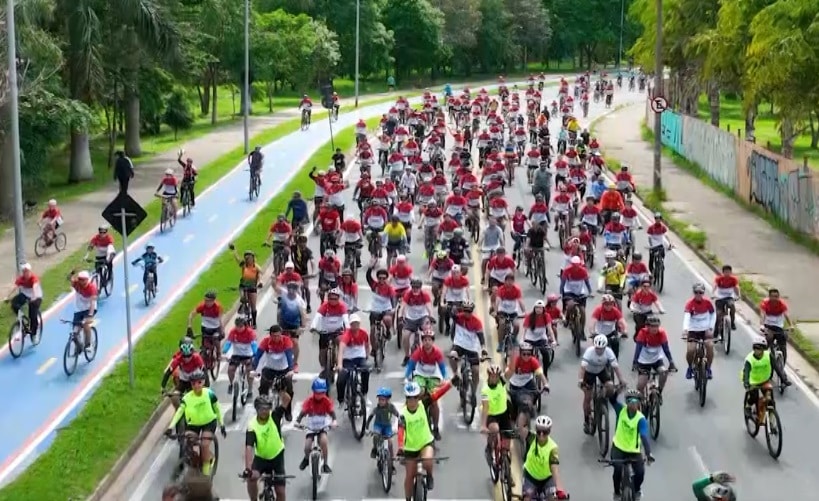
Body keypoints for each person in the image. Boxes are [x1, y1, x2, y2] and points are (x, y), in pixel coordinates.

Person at [165, 370, 226, 476]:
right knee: (188, 444)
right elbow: (179, 412)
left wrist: (222, 424)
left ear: (203, 382)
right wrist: (170, 427)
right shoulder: (187, 398)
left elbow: (217, 409)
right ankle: (199, 460)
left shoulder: (209, 394)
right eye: (193, 383)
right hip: (193, 424)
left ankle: (206, 473)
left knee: (204, 445)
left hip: (209, 423)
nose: (196, 386)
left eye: (199, 382)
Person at [397, 380, 453, 495]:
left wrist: (451, 384)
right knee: (409, 476)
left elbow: (438, 394)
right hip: (410, 448)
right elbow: (401, 432)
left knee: (427, 461)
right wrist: (401, 447)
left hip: (426, 442)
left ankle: (430, 476)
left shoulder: (424, 404)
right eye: (409, 398)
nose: (412, 401)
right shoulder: (402, 414)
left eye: (415, 397)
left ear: (419, 398)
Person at [242, 394, 291, 501]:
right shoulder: (252, 426)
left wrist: (281, 386)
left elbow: (287, 399)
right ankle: (254, 499)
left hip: (277, 457)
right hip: (261, 459)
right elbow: (249, 448)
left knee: (281, 492)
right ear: (257, 409)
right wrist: (248, 469)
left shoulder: (275, 416)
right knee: (251, 479)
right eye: (262, 408)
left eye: (267, 408)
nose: (265, 411)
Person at [608, 388, 654, 501]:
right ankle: (617, 492)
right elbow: (612, 399)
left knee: (640, 473)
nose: (632, 404)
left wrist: (648, 454)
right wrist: (617, 391)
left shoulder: (641, 419)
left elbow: (644, 436)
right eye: (629, 401)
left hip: (634, 451)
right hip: (618, 447)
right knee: (617, 469)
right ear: (626, 402)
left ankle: (637, 489)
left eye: (635, 402)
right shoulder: (621, 410)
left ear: (639, 403)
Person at [579, 334, 624, 433]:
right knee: (587, 397)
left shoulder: (609, 352)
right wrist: (581, 381)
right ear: (594, 346)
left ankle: (602, 401)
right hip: (589, 373)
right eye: (597, 348)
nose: (599, 350)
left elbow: (616, 367)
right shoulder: (589, 352)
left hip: (601, 371)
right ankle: (587, 419)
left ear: (605, 347)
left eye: (601, 349)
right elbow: (582, 368)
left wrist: (622, 380)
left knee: (610, 387)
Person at [294, 378, 337, 473]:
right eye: (317, 393)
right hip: (311, 427)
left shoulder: (326, 401)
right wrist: (298, 421)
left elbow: (331, 412)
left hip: (322, 426)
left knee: (324, 442)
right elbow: (303, 412)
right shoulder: (309, 401)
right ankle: (306, 459)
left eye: (321, 393)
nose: (319, 395)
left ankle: (325, 464)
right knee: (307, 445)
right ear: (313, 392)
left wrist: (334, 421)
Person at [521, 416, 569, 500]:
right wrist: (523, 414)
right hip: (530, 477)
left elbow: (555, 468)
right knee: (527, 499)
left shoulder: (553, 447)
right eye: (539, 431)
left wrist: (560, 489)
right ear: (536, 429)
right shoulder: (531, 437)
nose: (541, 434)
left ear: (549, 431)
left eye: (545, 432)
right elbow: (521, 430)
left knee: (552, 498)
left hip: (547, 479)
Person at [253, 325, 295, 420]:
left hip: (284, 370)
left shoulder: (286, 341)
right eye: (274, 336)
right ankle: (262, 408)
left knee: (289, 389)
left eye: (278, 335)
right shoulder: (265, 341)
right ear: (270, 335)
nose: (276, 338)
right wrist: (253, 369)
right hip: (270, 369)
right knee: (263, 386)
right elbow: (258, 356)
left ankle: (288, 411)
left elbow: (289, 356)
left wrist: (291, 370)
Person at [743, 336, 791, 416]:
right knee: (754, 397)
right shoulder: (749, 359)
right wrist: (747, 383)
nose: (756, 350)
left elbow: (777, 368)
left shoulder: (768, 355)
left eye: (759, 348)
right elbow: (746, 373)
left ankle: (772, 419)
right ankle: (748, 406)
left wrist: (784, 380)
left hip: (765, 380)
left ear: (763, 349)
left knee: (770, 400)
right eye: (754, 347)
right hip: (752, 382)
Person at [632, 316, 677, 395]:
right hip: (644, 362)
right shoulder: (642, 333)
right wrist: (635, 363)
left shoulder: (661, 333)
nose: (655, 328)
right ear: (647, 326)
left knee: (664, 372)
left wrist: (671, 362)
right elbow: (638, 349)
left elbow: (666, 349)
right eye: (652, 326)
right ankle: (642, 403)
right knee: (640, 386)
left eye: (656, 326)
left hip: (657, 360)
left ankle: (659, 391)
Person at [683, 283, 716, 380]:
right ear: (693, 293)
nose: (698, 294)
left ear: (703, 293)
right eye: (696, 292)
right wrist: (685, 330)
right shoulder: (690, 303)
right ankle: (690, 367)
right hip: (693, 330)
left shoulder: (708, 303)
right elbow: (687, 317)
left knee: (710, 347)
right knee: (691, 350)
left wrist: (710, 328)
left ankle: (709, 368)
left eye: (700, 292)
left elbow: (713, 315)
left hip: (705, 330)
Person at [335, 314, 371, 404]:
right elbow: (341, 349)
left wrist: (367, 356)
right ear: (350, 325)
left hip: (360, 358)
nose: (355, 326)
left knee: (366, 371)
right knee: (341, 379)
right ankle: (341, 401)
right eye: (353, 324)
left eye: (357, 323)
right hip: (348, 360)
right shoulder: (346, 335)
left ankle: (364, 393)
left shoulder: (364, 333)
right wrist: (339, 365)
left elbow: (367, 345)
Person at [161, 337, 206, 406]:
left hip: (195, 380)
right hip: (183, 381)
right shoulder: (178, 359)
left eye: (189, 356)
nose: (187, 359)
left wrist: (206, 385)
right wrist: (163, 387)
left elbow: (204, 371)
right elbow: (168, 372)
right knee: (174, 398)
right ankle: (180, 412)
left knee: (199, 397)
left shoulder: (197, 357)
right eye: (184, 357)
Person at [222, 316, 257, 399]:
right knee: (230, 369)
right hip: (236, 354)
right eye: (237, 326)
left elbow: (254, 345)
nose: (238, 328)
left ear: (245, 325)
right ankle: (231, 384)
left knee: (250, 370)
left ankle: (250, 389)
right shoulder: (233, 332)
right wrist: (225, 350)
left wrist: (255, 354)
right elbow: (228, 342)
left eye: (241, 326)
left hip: (248, 355)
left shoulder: (250, 332)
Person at [7, 263, 43, 338]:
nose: (25, 273)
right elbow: (14, 287)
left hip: (36, 296)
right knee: (14, 304)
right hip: (25, 294)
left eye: (27, 271)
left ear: (30, 271)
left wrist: (34, 297)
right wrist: (8, 297)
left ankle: (34, 332)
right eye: (24, 271)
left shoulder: (34, 278)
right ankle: (21, 319)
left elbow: (35, 287)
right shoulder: (21, 279)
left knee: (32, 315)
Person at [230, 246, 262, 327]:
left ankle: (254, 322)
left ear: (253, 258)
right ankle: (243, 307)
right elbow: (237, 259)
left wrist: (259, 282)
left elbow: (259, 276)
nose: (248, 260)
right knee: (243, 299)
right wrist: (234, 251)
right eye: (247, 258)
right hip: (243, 286)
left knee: (253, 306)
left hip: (252, 287)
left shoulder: (256, 267)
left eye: (250, 258)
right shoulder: (244, 265)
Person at [68, 269, 98, 352]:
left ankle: (89, 345)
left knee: (85, 324)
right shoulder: (76, 284)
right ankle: (79, 346)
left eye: (83, 280)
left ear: (87, 280)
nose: (82, 282)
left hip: (90, 309)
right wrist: (72, 273)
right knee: (74, 332)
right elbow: (69, 278)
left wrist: (90, 315)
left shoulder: (92, 288)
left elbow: (92, 302)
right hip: (79, 309)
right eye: (80, 279)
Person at [366, 387, 400, 460]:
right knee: (376, 436)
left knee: (390, 442)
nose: (380, 402)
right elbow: (370, 416)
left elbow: (398, 415)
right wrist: (366, 427)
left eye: (383, 400)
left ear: (388, 400)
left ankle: (391, 457)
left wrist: (400, 425)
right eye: (379, 400)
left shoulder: (391, 407)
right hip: (378, 425)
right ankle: (375, 448)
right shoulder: (377, 408)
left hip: (387, 426)